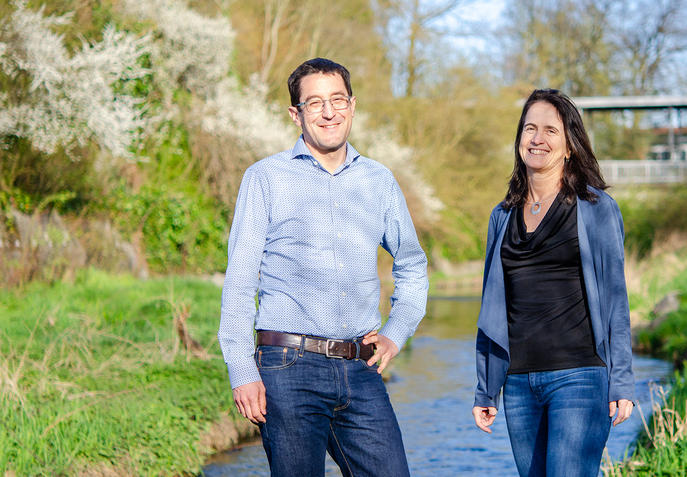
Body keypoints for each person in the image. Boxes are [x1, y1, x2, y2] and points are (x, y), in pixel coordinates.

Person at [218, 58, 428, 477]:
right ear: (296, 114)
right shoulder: (265, 179)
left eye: (337, 100)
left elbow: (412, 265)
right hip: (286, 368)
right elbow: (241, 282)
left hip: (361, 366)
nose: (328, 112)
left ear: (352, 105)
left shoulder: (379, 180)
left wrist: (394, 333)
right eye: (314, 103)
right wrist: (242, 369)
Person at [471, 89, 635, 477]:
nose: (537, 139)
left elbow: (615, 299)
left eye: (550, 131)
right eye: (530, 129)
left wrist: (622, 381)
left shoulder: (597, 208)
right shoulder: (502, 215)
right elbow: (492, 305)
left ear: (569, 147)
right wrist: (485, 386)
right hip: (518, 383)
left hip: (580, 376)